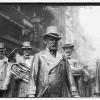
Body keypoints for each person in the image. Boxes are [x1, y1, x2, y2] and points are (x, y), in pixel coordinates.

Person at [28, 26, 79, 97]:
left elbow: (70, 78)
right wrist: (31, 94)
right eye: (51, 40)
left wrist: (74, 94)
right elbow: (33, 77)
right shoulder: (38, 57)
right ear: (46, 40)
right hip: (43, 94)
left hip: (60, 95)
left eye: (56, 40)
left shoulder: (63, 58)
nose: (54, 42)